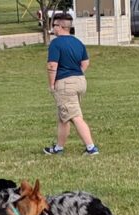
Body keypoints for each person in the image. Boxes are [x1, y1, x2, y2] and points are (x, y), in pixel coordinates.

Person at [43, 13, 99, 156]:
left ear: (60, 26)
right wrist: (75, 74)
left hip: (65, 83)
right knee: (64, 116)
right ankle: (58, 148)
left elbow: (52, 65)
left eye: (54, 25)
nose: (53, 28)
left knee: (74, 116)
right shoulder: (78, 42)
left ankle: (91, 148)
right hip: (80, 81)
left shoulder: (56, 43)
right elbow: (85, 62)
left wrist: (51, 84)